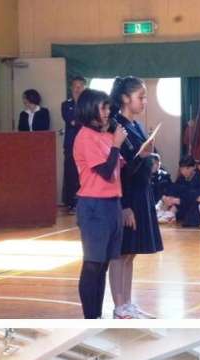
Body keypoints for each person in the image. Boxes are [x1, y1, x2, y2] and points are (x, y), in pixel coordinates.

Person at [109, 76, 163, 319]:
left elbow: (140, 161)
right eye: (140, 97)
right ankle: (119, 306)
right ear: (124, 98)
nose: (144, 101)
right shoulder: (116, 127)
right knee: (120, 253)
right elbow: (118, 170)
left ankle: (128, 303)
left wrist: (151, 158)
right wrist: (124, 206)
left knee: (130, 253)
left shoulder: (137, 126)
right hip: (126, 196)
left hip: (141, 193)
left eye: (145, 97)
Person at [73, 88, 128, 319]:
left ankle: (96, 315)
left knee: (103, 264)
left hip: (112, 203)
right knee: (93, 264)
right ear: (90, 109)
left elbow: (120, 167)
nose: (107, 112)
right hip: (94, 205)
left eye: (107, 107)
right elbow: (105, 172)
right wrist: (116, 145)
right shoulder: (86, 136)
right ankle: (90, 317)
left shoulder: (106, 136)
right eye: (102, 107)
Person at [61, 76, 87, 213]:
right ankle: (71, 202)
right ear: (71, 88)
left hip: (86, 144)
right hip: (70, 144)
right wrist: (79, 122)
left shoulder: (88, 104)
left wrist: (79, 122)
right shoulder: (66, 104)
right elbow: (71, 121)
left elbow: (87, 121)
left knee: (84, 173)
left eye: (80, 86)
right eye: (75, 86)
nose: (77, 89)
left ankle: (82, 202)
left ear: (84, 88)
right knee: (71, 172)